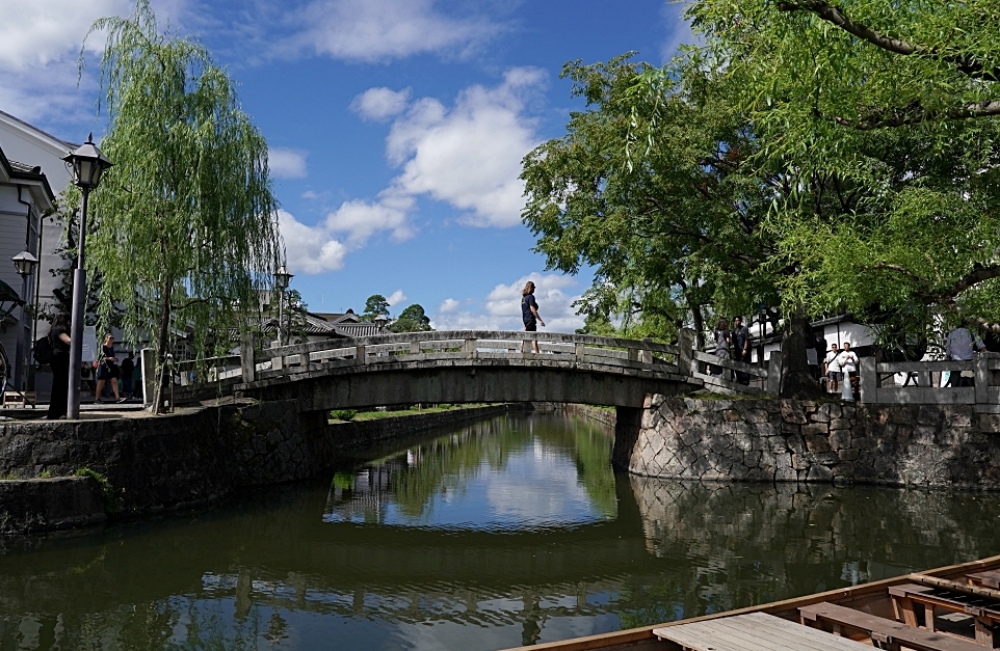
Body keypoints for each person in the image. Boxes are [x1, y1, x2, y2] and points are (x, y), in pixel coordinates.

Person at [47, 314, 72, 420]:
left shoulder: (53, 329)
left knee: (59, 385)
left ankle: (57, 411)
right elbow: (69, 341)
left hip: (57, 357)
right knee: (60, 385)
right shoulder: (58, 330)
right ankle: (57, 411)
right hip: (60, 358)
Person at [945, 321, 985, 387]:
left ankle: (954, 391)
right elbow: (981, 346)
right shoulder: (972, 332)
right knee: (975, 382)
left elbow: (948, 351)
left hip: (955, 362)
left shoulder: (951, 333)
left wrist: (948, 356)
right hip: (969, 361)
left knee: (954, 383)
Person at [95, 333, 124, 404]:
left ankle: (117, 398)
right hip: (103, 365)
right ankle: (96, 399)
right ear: (106, 339)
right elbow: (100, 357)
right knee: (101, 382)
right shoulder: (102, 347)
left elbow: (111, 356)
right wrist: (108, 358)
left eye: (112, 338)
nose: (111, 340)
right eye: (110, 338)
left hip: (111, 366)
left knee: (114, 380)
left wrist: (114, 359)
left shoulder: (111, 347)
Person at [520, 281, 545, 353]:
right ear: (532, 288)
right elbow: (532, 309)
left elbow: (523, 311)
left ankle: (521, 351)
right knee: (534, 339)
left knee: (526, 338)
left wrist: (524, 322)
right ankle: (538, 355)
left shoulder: (523, 299)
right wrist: (540, 320)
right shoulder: (531, 297)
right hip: (531, 320)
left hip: (526, 320)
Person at [731, 316, 751, 384]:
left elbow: (746, 339)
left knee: (745, 366)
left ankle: (746, 382)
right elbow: (733, 342)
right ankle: (740, 381)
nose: (737, 322)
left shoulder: (744, 329)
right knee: (738, 367)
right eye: (736, 321)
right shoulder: (733, 331)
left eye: (738, 320)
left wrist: (745, 349)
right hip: (737, 352)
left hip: (743, 350)